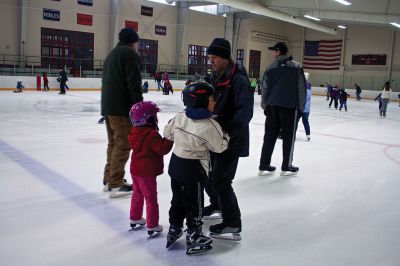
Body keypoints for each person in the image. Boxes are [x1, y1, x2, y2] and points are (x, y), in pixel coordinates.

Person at [163, 82, 229, 254]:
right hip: (194, 169)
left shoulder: (179, 116)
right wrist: (227, 135)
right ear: (201, 102)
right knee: (195, 204)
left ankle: (174, 227)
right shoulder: (209, 125)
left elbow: (167, 133)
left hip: (176, 165)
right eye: (212, 99)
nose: (215, 102)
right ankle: (194, 234)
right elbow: (219, 147)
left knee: (177, 200)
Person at [203, 38, 254, 240]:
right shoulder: (216, 76)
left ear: (225, 57)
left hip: (231, 139)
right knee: (208, 175)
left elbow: (245, 112)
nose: (211, 61)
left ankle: (232, 222)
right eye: (209, 57)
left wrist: (228, 132)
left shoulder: (238, 79)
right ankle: (217, 205)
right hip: (215, 136)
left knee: (221, 180)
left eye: (214, 57)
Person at [101, 28, 143, 198]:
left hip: (109, 108)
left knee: (113, 144)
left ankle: (109, 180)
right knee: (123, 145)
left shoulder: (111, 54)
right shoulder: (129, 54)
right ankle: (116, 184)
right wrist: (138, 108)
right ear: (133, 42)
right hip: (121, 109)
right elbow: (134, 83)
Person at [259, 42, 306, 176]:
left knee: (269, 137)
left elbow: (265, 89)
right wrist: (301, 108)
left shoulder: (270, 68)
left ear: (278, 52)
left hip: (272, 108)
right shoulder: (297, 67)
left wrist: (265, 105)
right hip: (289, 108)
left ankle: (264, 163)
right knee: (288, 138)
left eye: (273, 51)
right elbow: (301, 89)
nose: (272, 54)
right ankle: (286, 164)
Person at [128, 101, 173, 237]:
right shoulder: (151, 134)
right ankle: (152, 225)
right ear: (148, 118)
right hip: (146, 172)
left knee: (137, 194)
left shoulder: (134, 132)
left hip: (135, 170)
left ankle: (135, 217)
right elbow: (163, 149)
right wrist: (170, 137)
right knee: (150, 198)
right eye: (154, 116)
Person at [300, 72, 311, 141]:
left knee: (295, 122)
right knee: (306, 121)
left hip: (300, 107)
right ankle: (308, 135)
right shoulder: (309, 86)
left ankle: (292, 134)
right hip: (307, 108)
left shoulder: (301, 85)